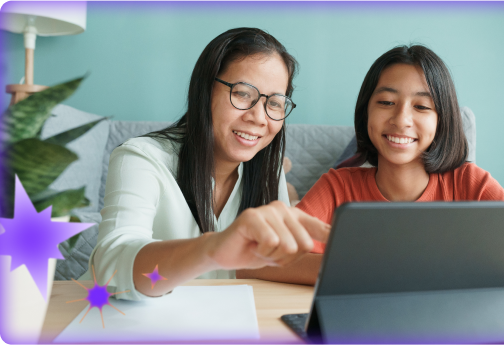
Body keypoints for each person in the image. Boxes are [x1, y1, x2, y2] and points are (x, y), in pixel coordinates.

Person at [239, 45, 504, 285]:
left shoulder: (471, 183)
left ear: (441, 120)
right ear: (366, 113)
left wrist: (440, 271)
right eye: (387, 102)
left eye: (422, 106)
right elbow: (255, 261)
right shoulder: (338, 186)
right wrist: (363, 269)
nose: (401, 119)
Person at [89, 28, 330, 300]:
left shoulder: (267, 169)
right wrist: (212, 249)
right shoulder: (140, 158)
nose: (259, 117)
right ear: (204, 90)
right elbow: (110, 269)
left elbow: (270, 262)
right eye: (242, 93)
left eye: (274, 103)